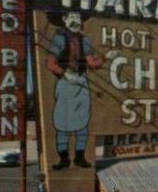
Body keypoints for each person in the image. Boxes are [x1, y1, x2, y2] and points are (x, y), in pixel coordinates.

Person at [45, 10, 116, 170]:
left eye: (77, 17)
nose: (75, 20)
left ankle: (79, 157)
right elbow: (50, 63)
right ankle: (63, 159)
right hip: (65, 82)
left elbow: (92, 64)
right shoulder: (58, 38)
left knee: (82, 122)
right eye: (72, 17)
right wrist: (64, 73)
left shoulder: (85, 40)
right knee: (62, 122)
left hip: (82, 81)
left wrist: (106, 57)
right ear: (64, 19)